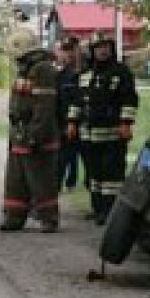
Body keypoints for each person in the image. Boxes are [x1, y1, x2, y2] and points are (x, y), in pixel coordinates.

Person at [69, 32, 138, 224]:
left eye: (106, 46)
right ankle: (97, 208)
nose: (103, 50)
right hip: (88, 135)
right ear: (92, 50)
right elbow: (76, 101)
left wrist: (125, 123)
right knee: (93, 173)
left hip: (112, 134)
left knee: (112, 175)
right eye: (98, 47)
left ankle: (110, 211)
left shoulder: (121, 73)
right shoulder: (84, 75)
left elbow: (129, 100)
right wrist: (72, 122)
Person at [2, 25, 62, 232]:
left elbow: (44, 107)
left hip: (37, 135)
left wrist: (35, 135)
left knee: (41, 180)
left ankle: (49, 218)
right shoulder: (25, 68)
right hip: (20, 133)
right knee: (15, 180)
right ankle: (14, 217)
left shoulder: (43, 69)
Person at [54, 37, 83, 192]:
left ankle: (72, 182)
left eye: (71, 50)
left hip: (83, 124)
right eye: (65, 50)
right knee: (62, 157)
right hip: (63, 124)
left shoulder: (84, 74)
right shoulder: (60, 76)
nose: (69, 54)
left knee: (77, 157)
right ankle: (58, 185)